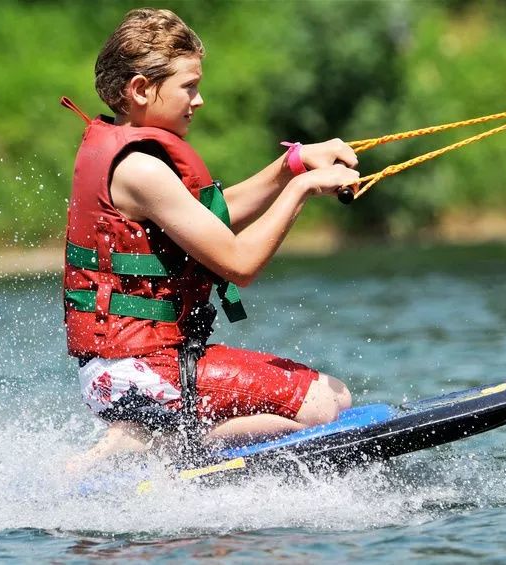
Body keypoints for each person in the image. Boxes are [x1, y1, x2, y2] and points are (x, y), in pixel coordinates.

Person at [62, 8, 360, 469]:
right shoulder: (140, 169)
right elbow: (239, 263)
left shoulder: (122, 151)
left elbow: (214, 219)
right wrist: (302, 189)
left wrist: (292, 165)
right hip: (147, 372)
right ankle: (157, 447)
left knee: (323, 400)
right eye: (188, 86)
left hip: (126, 372)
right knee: (329, 404)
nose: (199, 100)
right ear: (140, 89)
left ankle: (151, 436)